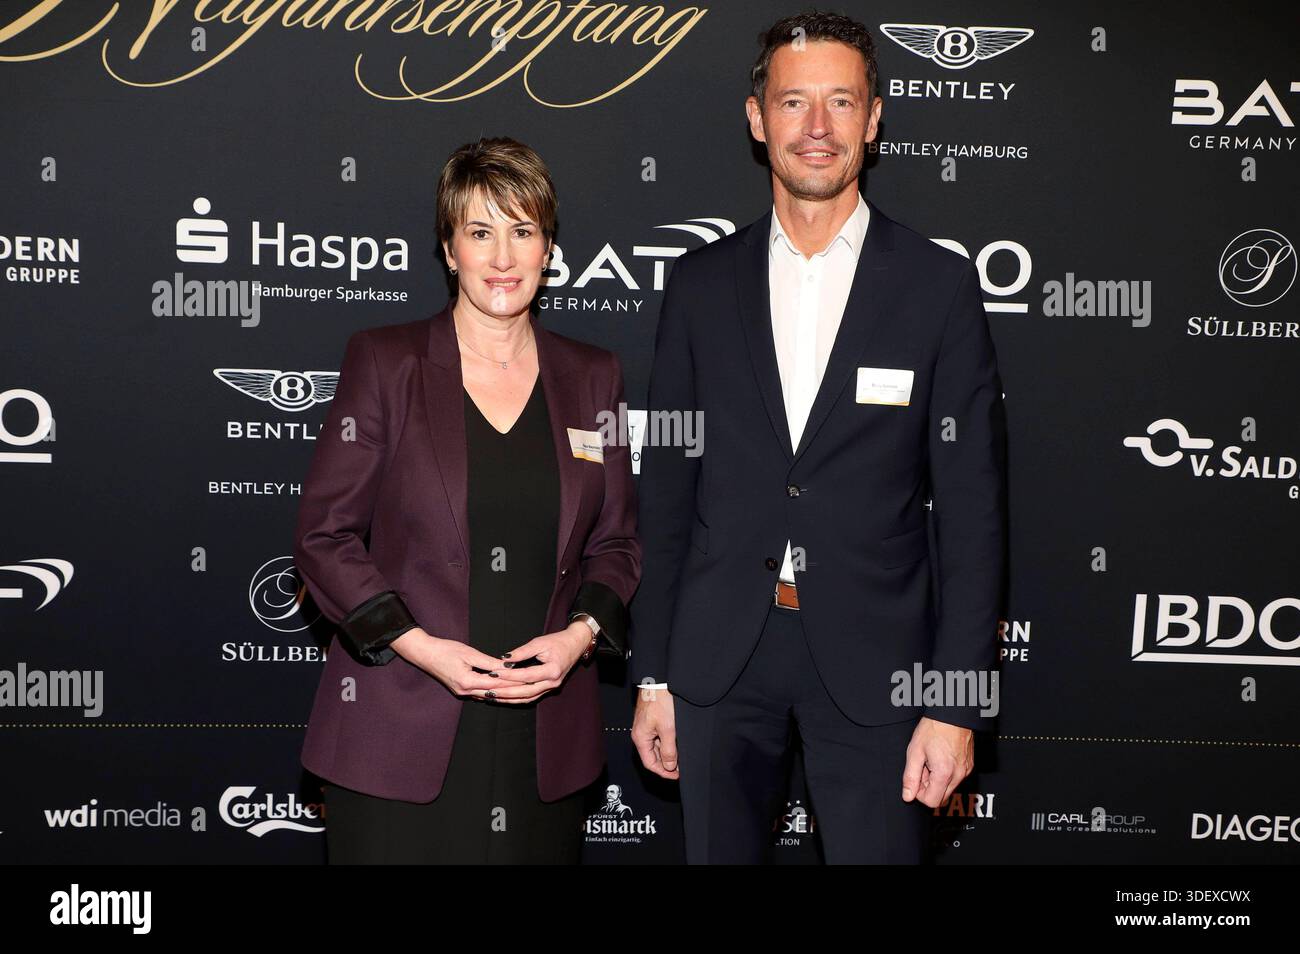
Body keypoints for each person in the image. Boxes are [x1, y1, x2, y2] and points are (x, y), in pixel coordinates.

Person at [630, 11, 1008, 864]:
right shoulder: (698, 285)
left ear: (874, 121)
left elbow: (976, 515)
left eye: (841, 102)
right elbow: (665, 495)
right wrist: (652, 675)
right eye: (794, 102)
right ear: (757, 118)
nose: (817, 127)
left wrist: (955, 704)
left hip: (883, 669)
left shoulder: (938, 287)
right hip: (721, 658)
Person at [294, 136, 640, 864]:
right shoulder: (388, 363)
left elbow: (618, 543)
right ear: (449, 249)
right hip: (399, 728)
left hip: (541, 740)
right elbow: (325, 537)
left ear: (549, 248)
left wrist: (578, 639)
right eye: (481, 233)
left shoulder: (592, 376)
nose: (504, 257)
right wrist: (423, 650)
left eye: (523, 231)